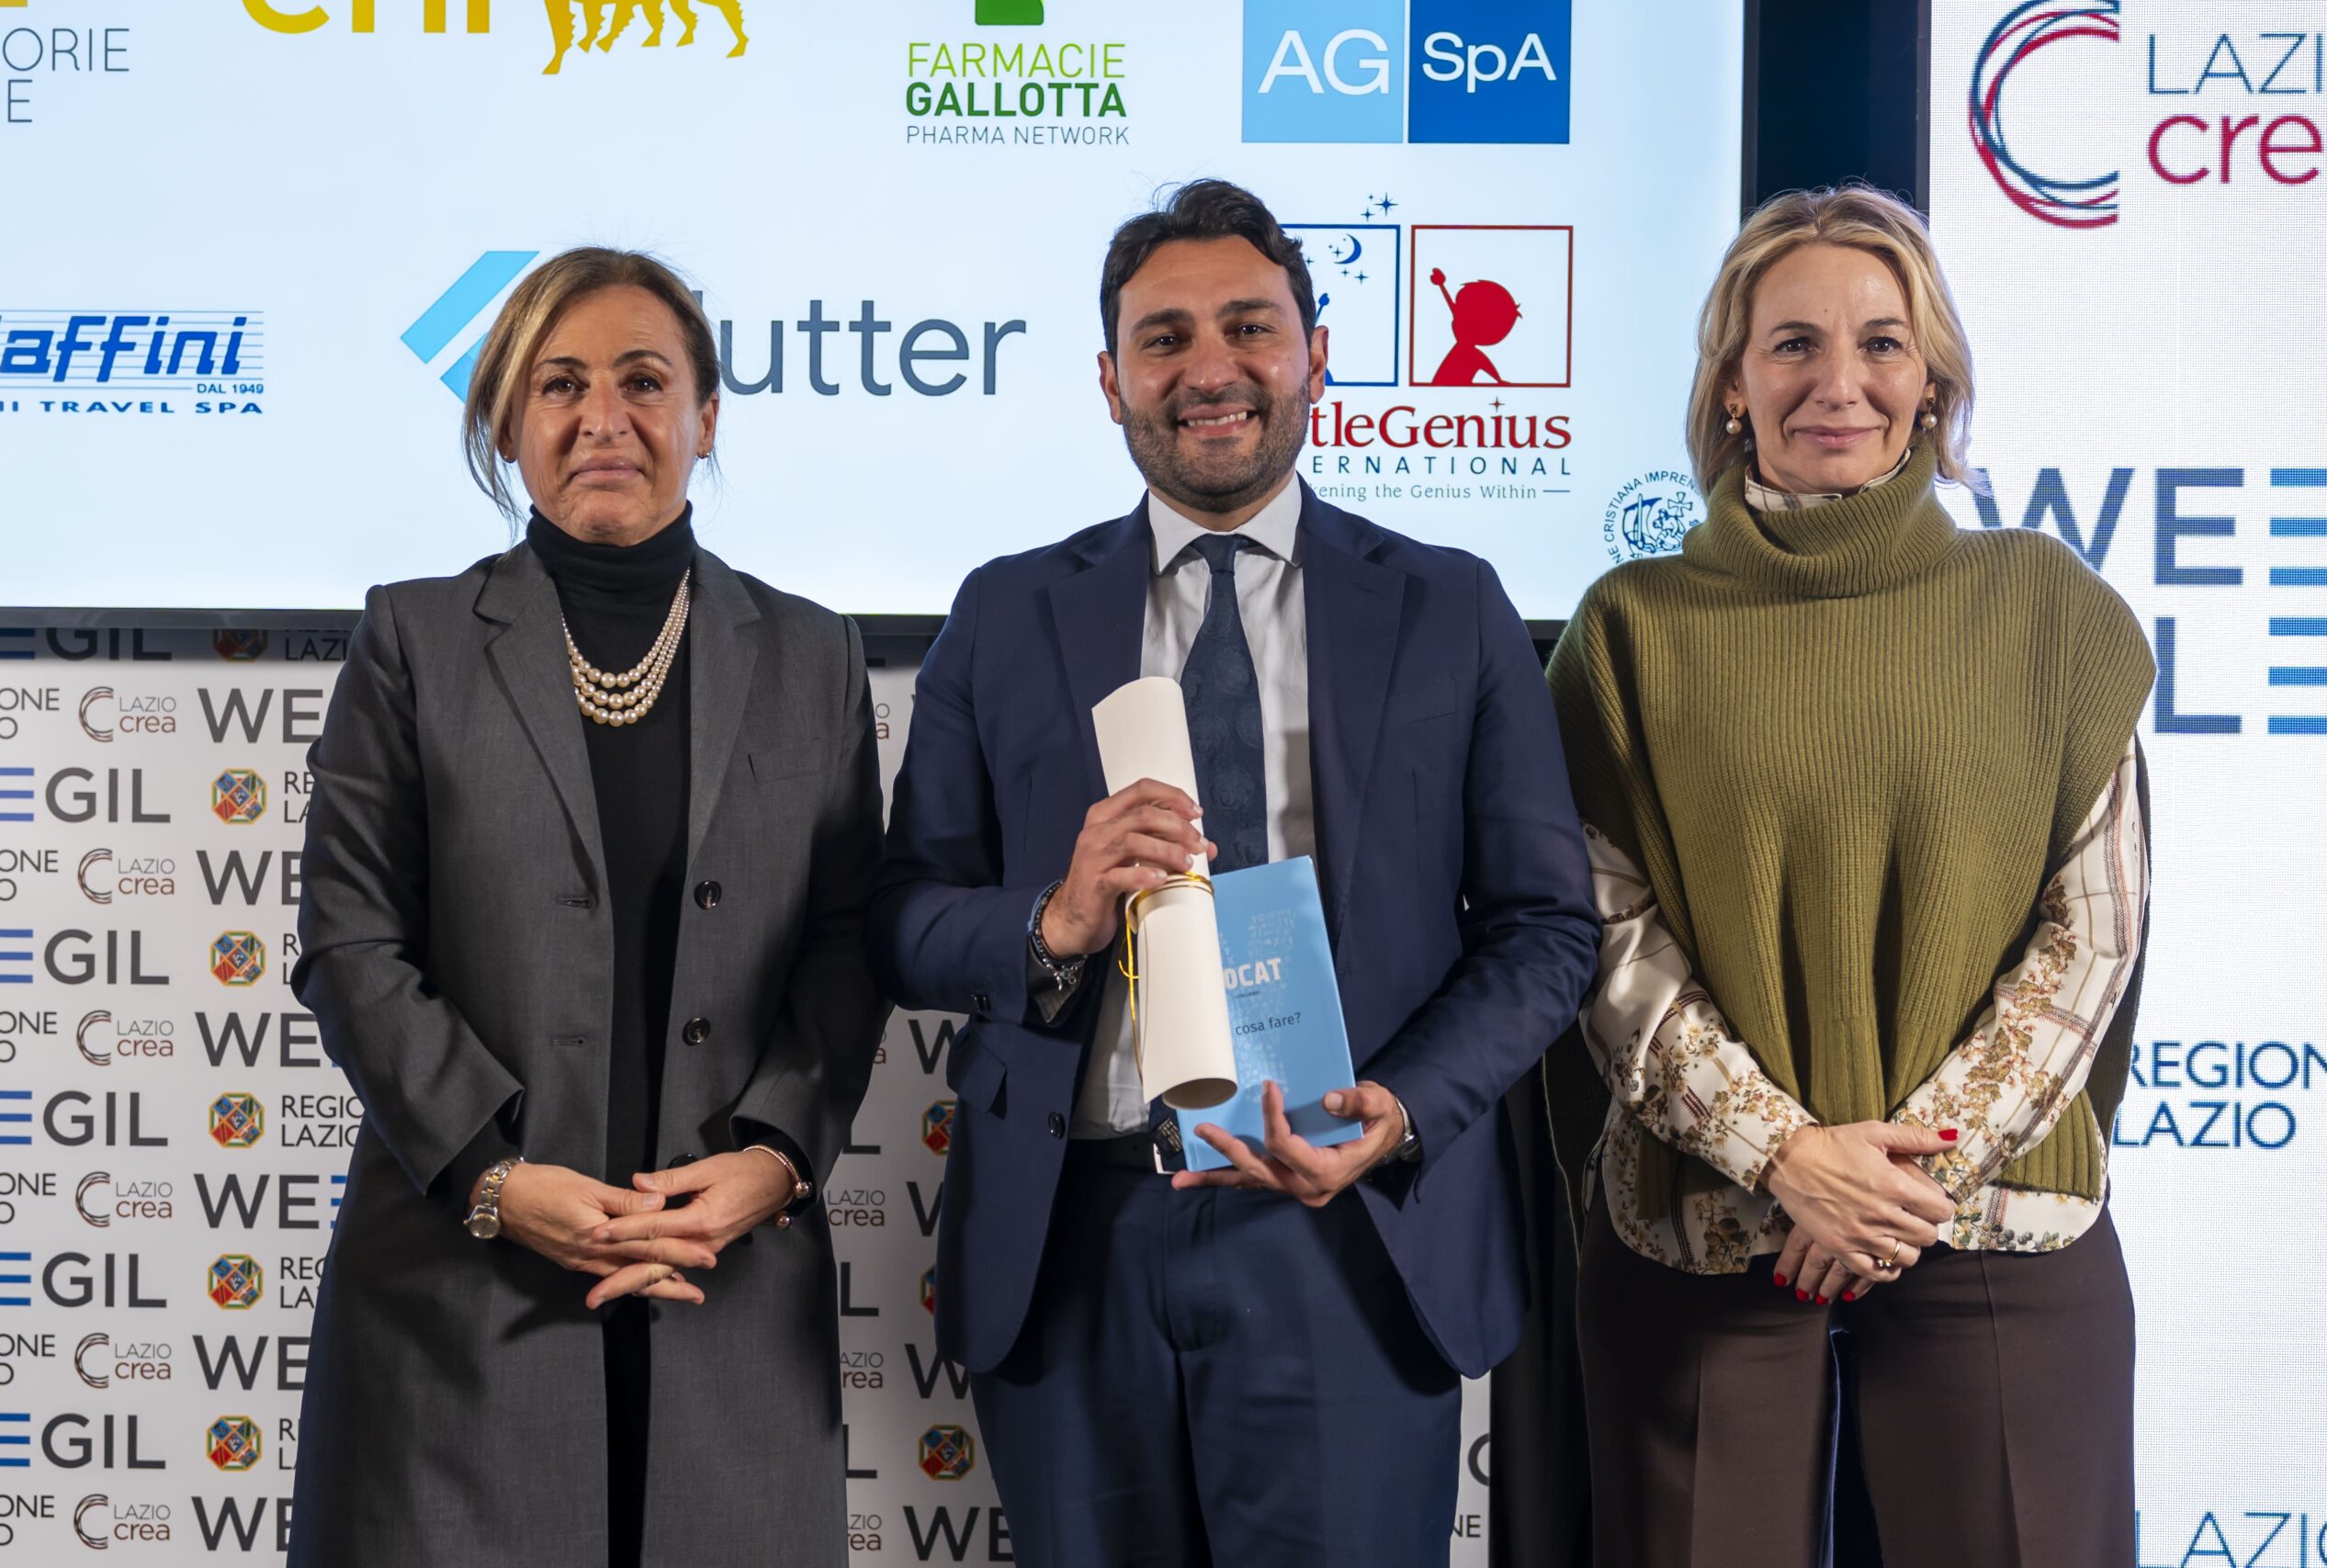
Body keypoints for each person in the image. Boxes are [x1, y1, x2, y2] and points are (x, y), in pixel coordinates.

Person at [869, 178, 1602, 1567]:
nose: (1210, 369)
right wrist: (1054, 921)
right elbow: (903, 917)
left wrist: (1400, 1110)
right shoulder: (1007, 611)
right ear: (1110, 381)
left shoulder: (1450, 605)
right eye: (1164, 339)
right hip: (1076, 1233)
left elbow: (1546, 930)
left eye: (1249, 327)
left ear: (1315, 354)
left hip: (1352, 1227)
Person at [1547, 185, 2154, 1567]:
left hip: (1993, 1211)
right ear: (1731, 384)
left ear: (1934, 379)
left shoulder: (2051, 608)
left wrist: (1892, 1186)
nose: (1840, 383)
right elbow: (1603, 933)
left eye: (1882, 343)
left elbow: (2094, 930)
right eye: (1793, 345)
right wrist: (1786, 1156)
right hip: (1709, 1215)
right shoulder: (1629, 629)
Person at [288, 247, 884, 1568]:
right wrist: (494, 1179)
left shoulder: (814, 654)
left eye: (643, 381)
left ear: (706, 418)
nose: (602, 418)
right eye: (560, 385)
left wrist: (776, 1161)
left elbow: (849, 944)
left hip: (728, 1290)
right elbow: (350, 940)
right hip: (459, 1298)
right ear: (507, 424)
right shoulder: (413, 641)